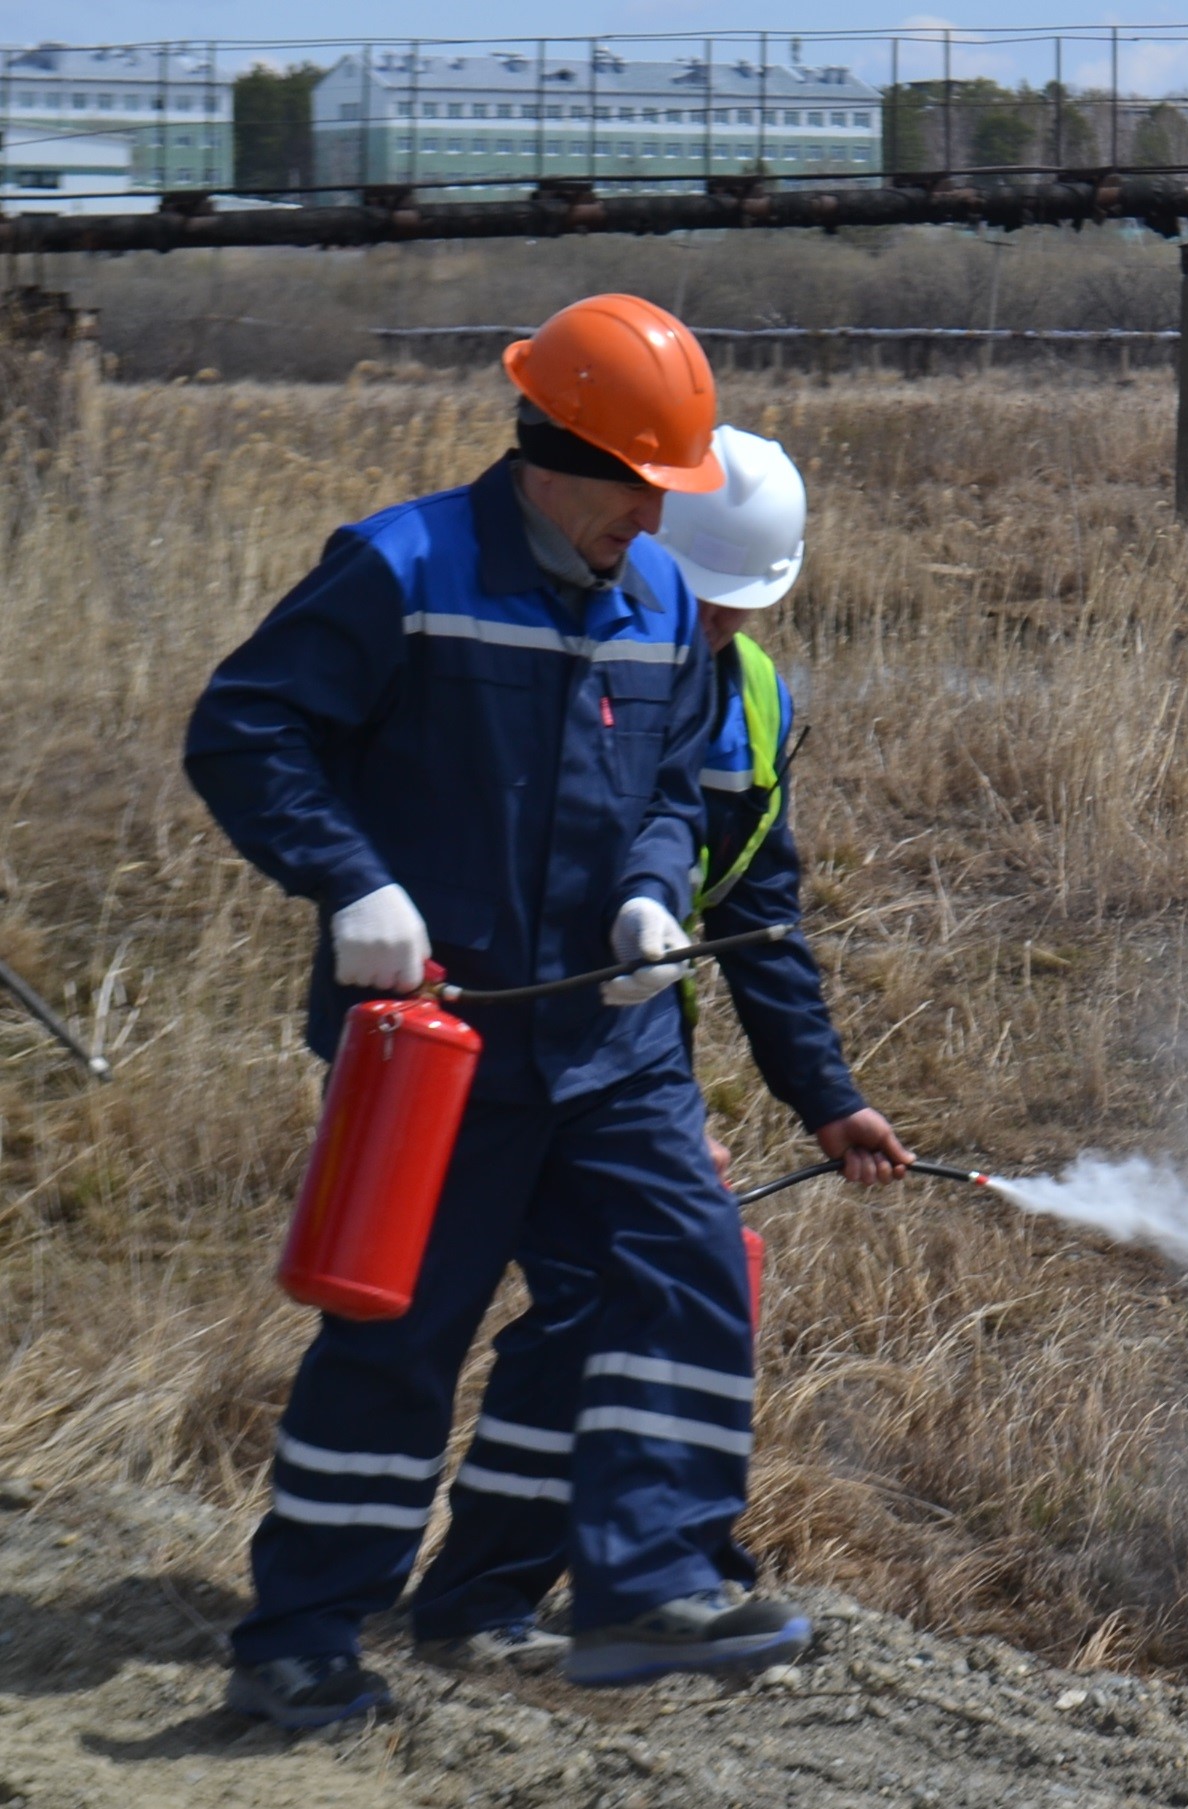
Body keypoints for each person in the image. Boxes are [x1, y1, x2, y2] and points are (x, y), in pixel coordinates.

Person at [185, 294, 810, 1730]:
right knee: (404, 1332)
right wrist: (350, 882)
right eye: (639, 490)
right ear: (558, 451)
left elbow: (666, 788)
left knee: (686, 1266)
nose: (653, 525)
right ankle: (301, 1637)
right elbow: (245, 730)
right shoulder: (401, 568)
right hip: (441, 1042)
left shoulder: (657, 601)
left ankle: (646, 1587)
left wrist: (657, 889)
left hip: (611, 1039)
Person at [399, 426, 913, 1675]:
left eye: (737, 612)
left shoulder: (753, 698)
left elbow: (754, 909)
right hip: (495, 1054)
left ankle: (500, 1597)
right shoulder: (550, 653)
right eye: (705, 603)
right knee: (526, 1305)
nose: (716, 633)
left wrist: (823, 1097)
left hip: (628, 1067)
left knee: (606, 1304)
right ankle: (538, 1594)